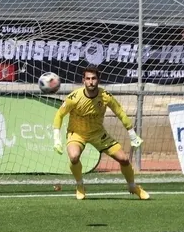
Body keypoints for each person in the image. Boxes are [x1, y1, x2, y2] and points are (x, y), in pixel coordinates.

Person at [52, 65, 150, 201]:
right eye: (88, 78)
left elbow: (120, 113)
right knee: (74, 157)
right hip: (77, 133)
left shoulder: (105, 96)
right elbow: (59, 115)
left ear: (98, 80)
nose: (91, 81)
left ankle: (133, 186)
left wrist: (132, 134)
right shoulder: (74, 97)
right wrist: (57, 139)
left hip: (98, 133)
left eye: (93, 78)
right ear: (83, 80)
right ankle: (80, 186)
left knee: (124, 159)